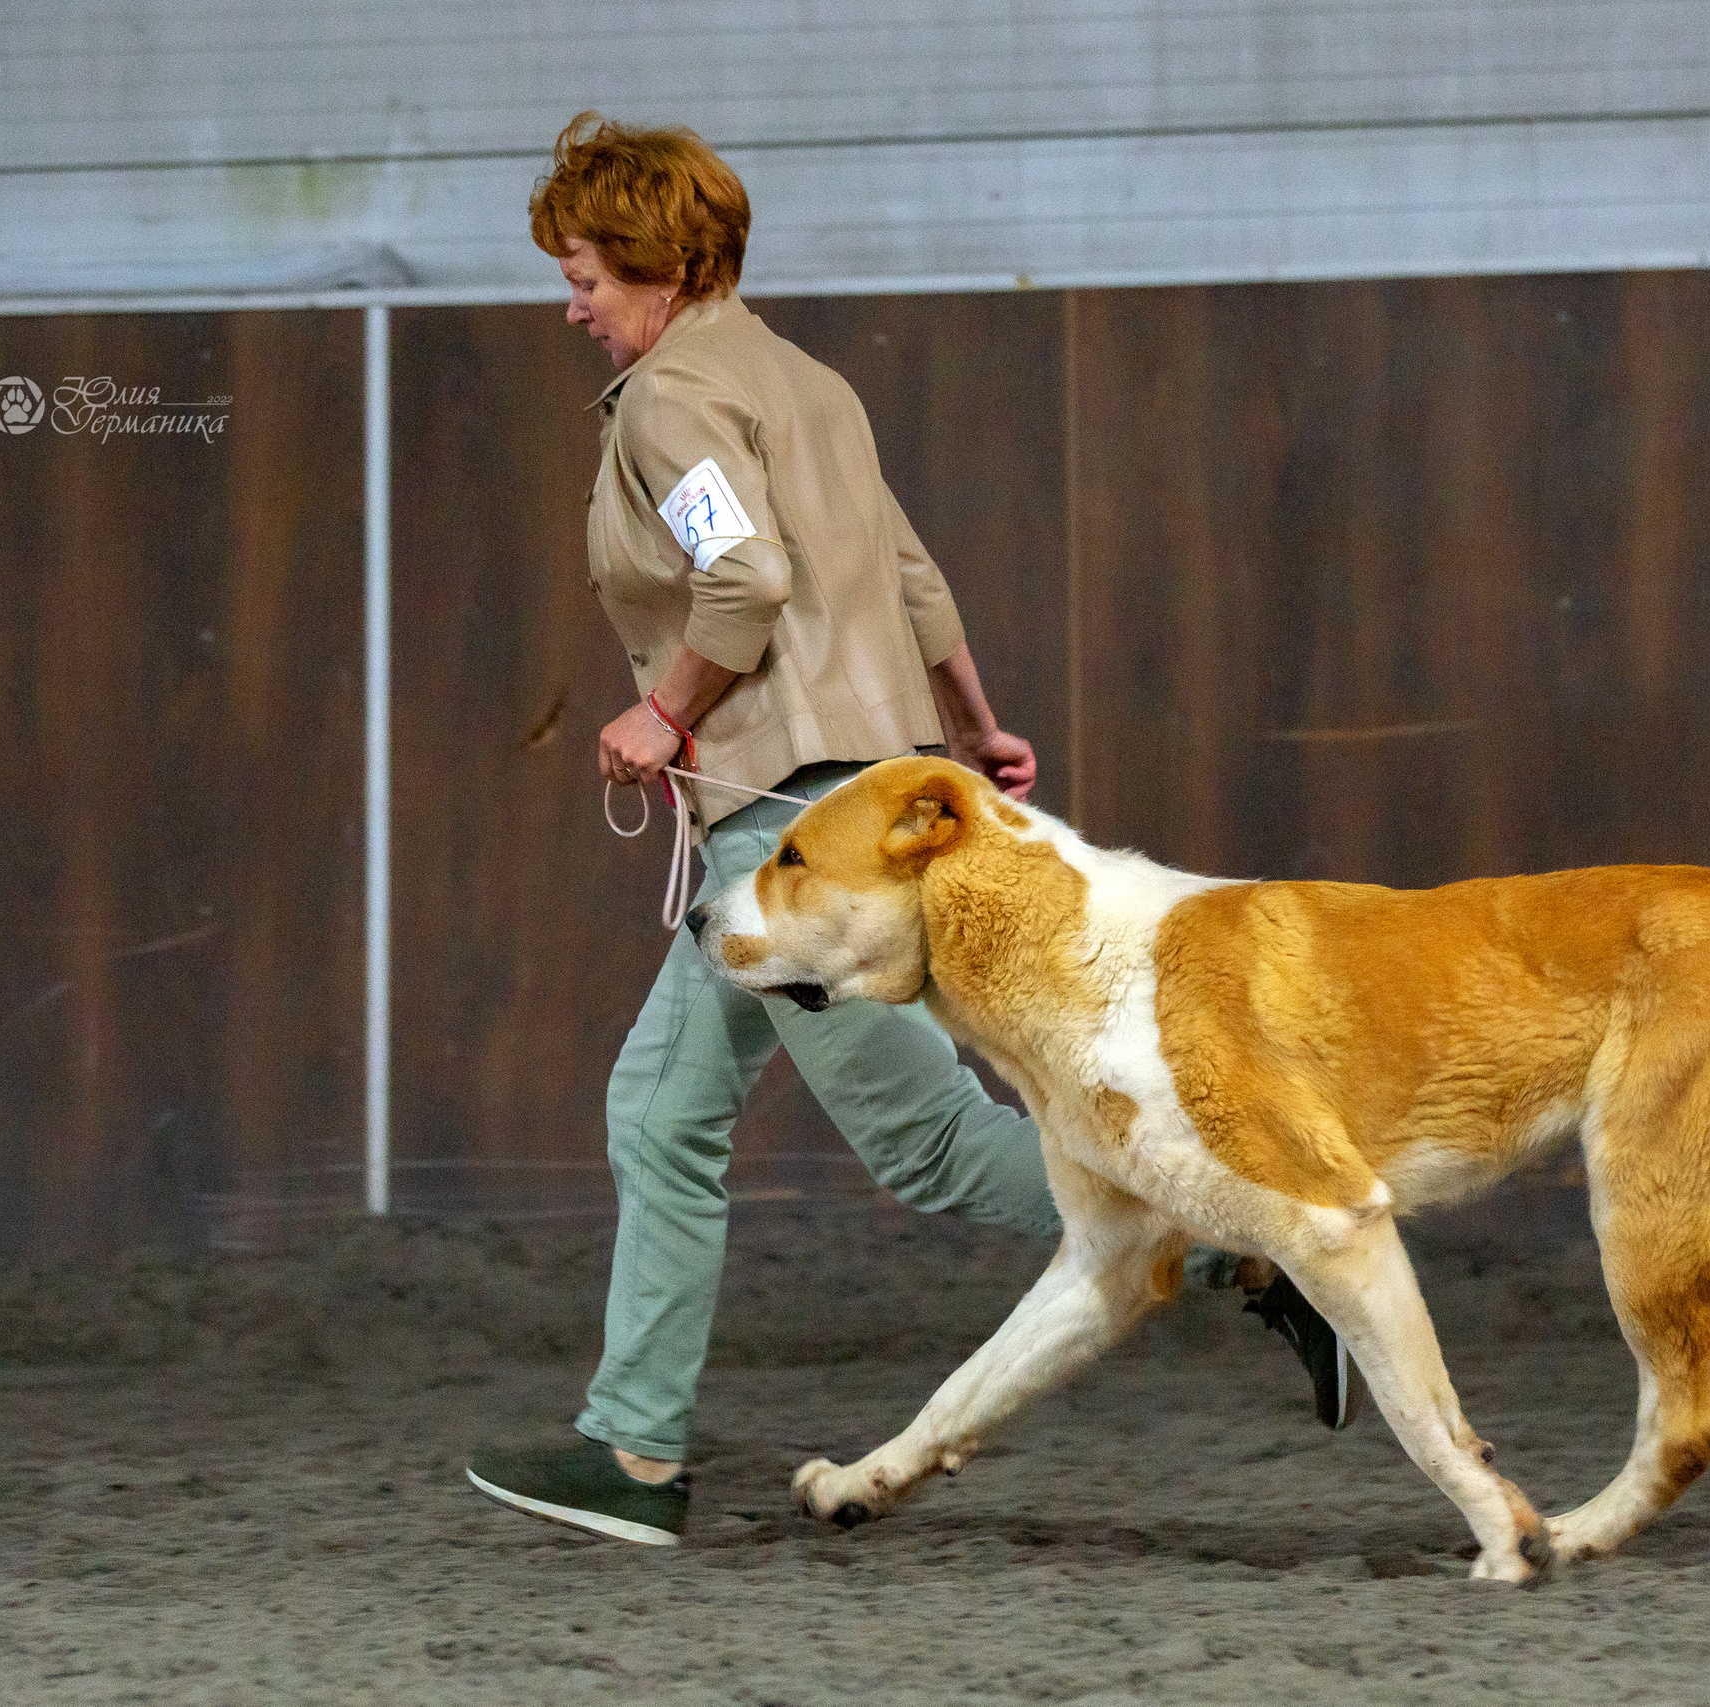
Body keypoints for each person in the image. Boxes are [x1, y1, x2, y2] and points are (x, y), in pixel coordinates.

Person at [468, 114, 1346, 1548]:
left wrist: (663, 716)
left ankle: (1262, 1241)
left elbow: (744, 584)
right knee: (664, 1111)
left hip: (791, 829)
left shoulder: (672, 399)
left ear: (662, 267)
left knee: (931, 1144)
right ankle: (631, 1450)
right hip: (855, 796)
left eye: (583, 279)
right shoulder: (809, 384)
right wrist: (976, 728)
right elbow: (913, 575)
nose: (571, 309)